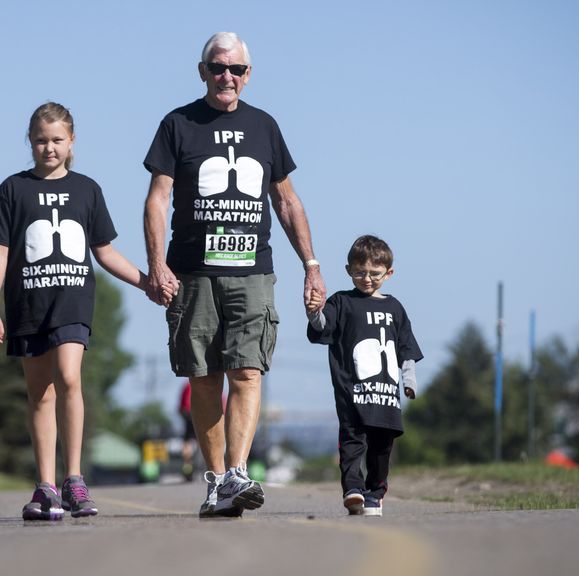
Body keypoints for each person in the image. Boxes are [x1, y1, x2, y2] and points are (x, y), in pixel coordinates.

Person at [144, 31, 326, 517]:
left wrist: (311, 265)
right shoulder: (177, 124)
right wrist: (157, 263)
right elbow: (158, 198)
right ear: (202, 70)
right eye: (218, 67)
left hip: (252, 272)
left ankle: (238, 473)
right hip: (194, 273)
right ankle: (217, 479)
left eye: (237, 70)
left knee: (247, 369)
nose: (228, 77)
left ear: (249, 75)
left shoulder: (264, 126)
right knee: (203, 378)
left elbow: (285, 200)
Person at [0, 101, 156, 521]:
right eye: (41, 141)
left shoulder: (87, 190)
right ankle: (46, 487)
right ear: (30, 142)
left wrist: (145, 281)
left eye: (57, 140)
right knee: (40, 393)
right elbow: (0, 252)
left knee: (69, 377)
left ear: (72, 141)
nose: (49, 148)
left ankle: (74, 480)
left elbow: (105, 252)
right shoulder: (13, 189)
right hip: (28, 304)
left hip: (73, 303)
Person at [306, 235, 423, 516]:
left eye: (374, 274)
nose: (366, 279)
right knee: (352, 443)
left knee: (382, 448)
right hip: (351, 392)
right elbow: (323, 327)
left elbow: (406, 348)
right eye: (359, 272)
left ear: (388, 273)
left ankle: (375, 493)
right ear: (349, 270)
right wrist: (313, 311)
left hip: (386, 395)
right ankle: (353, 490)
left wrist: (409, 381)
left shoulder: (395, 308)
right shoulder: (341, 302)